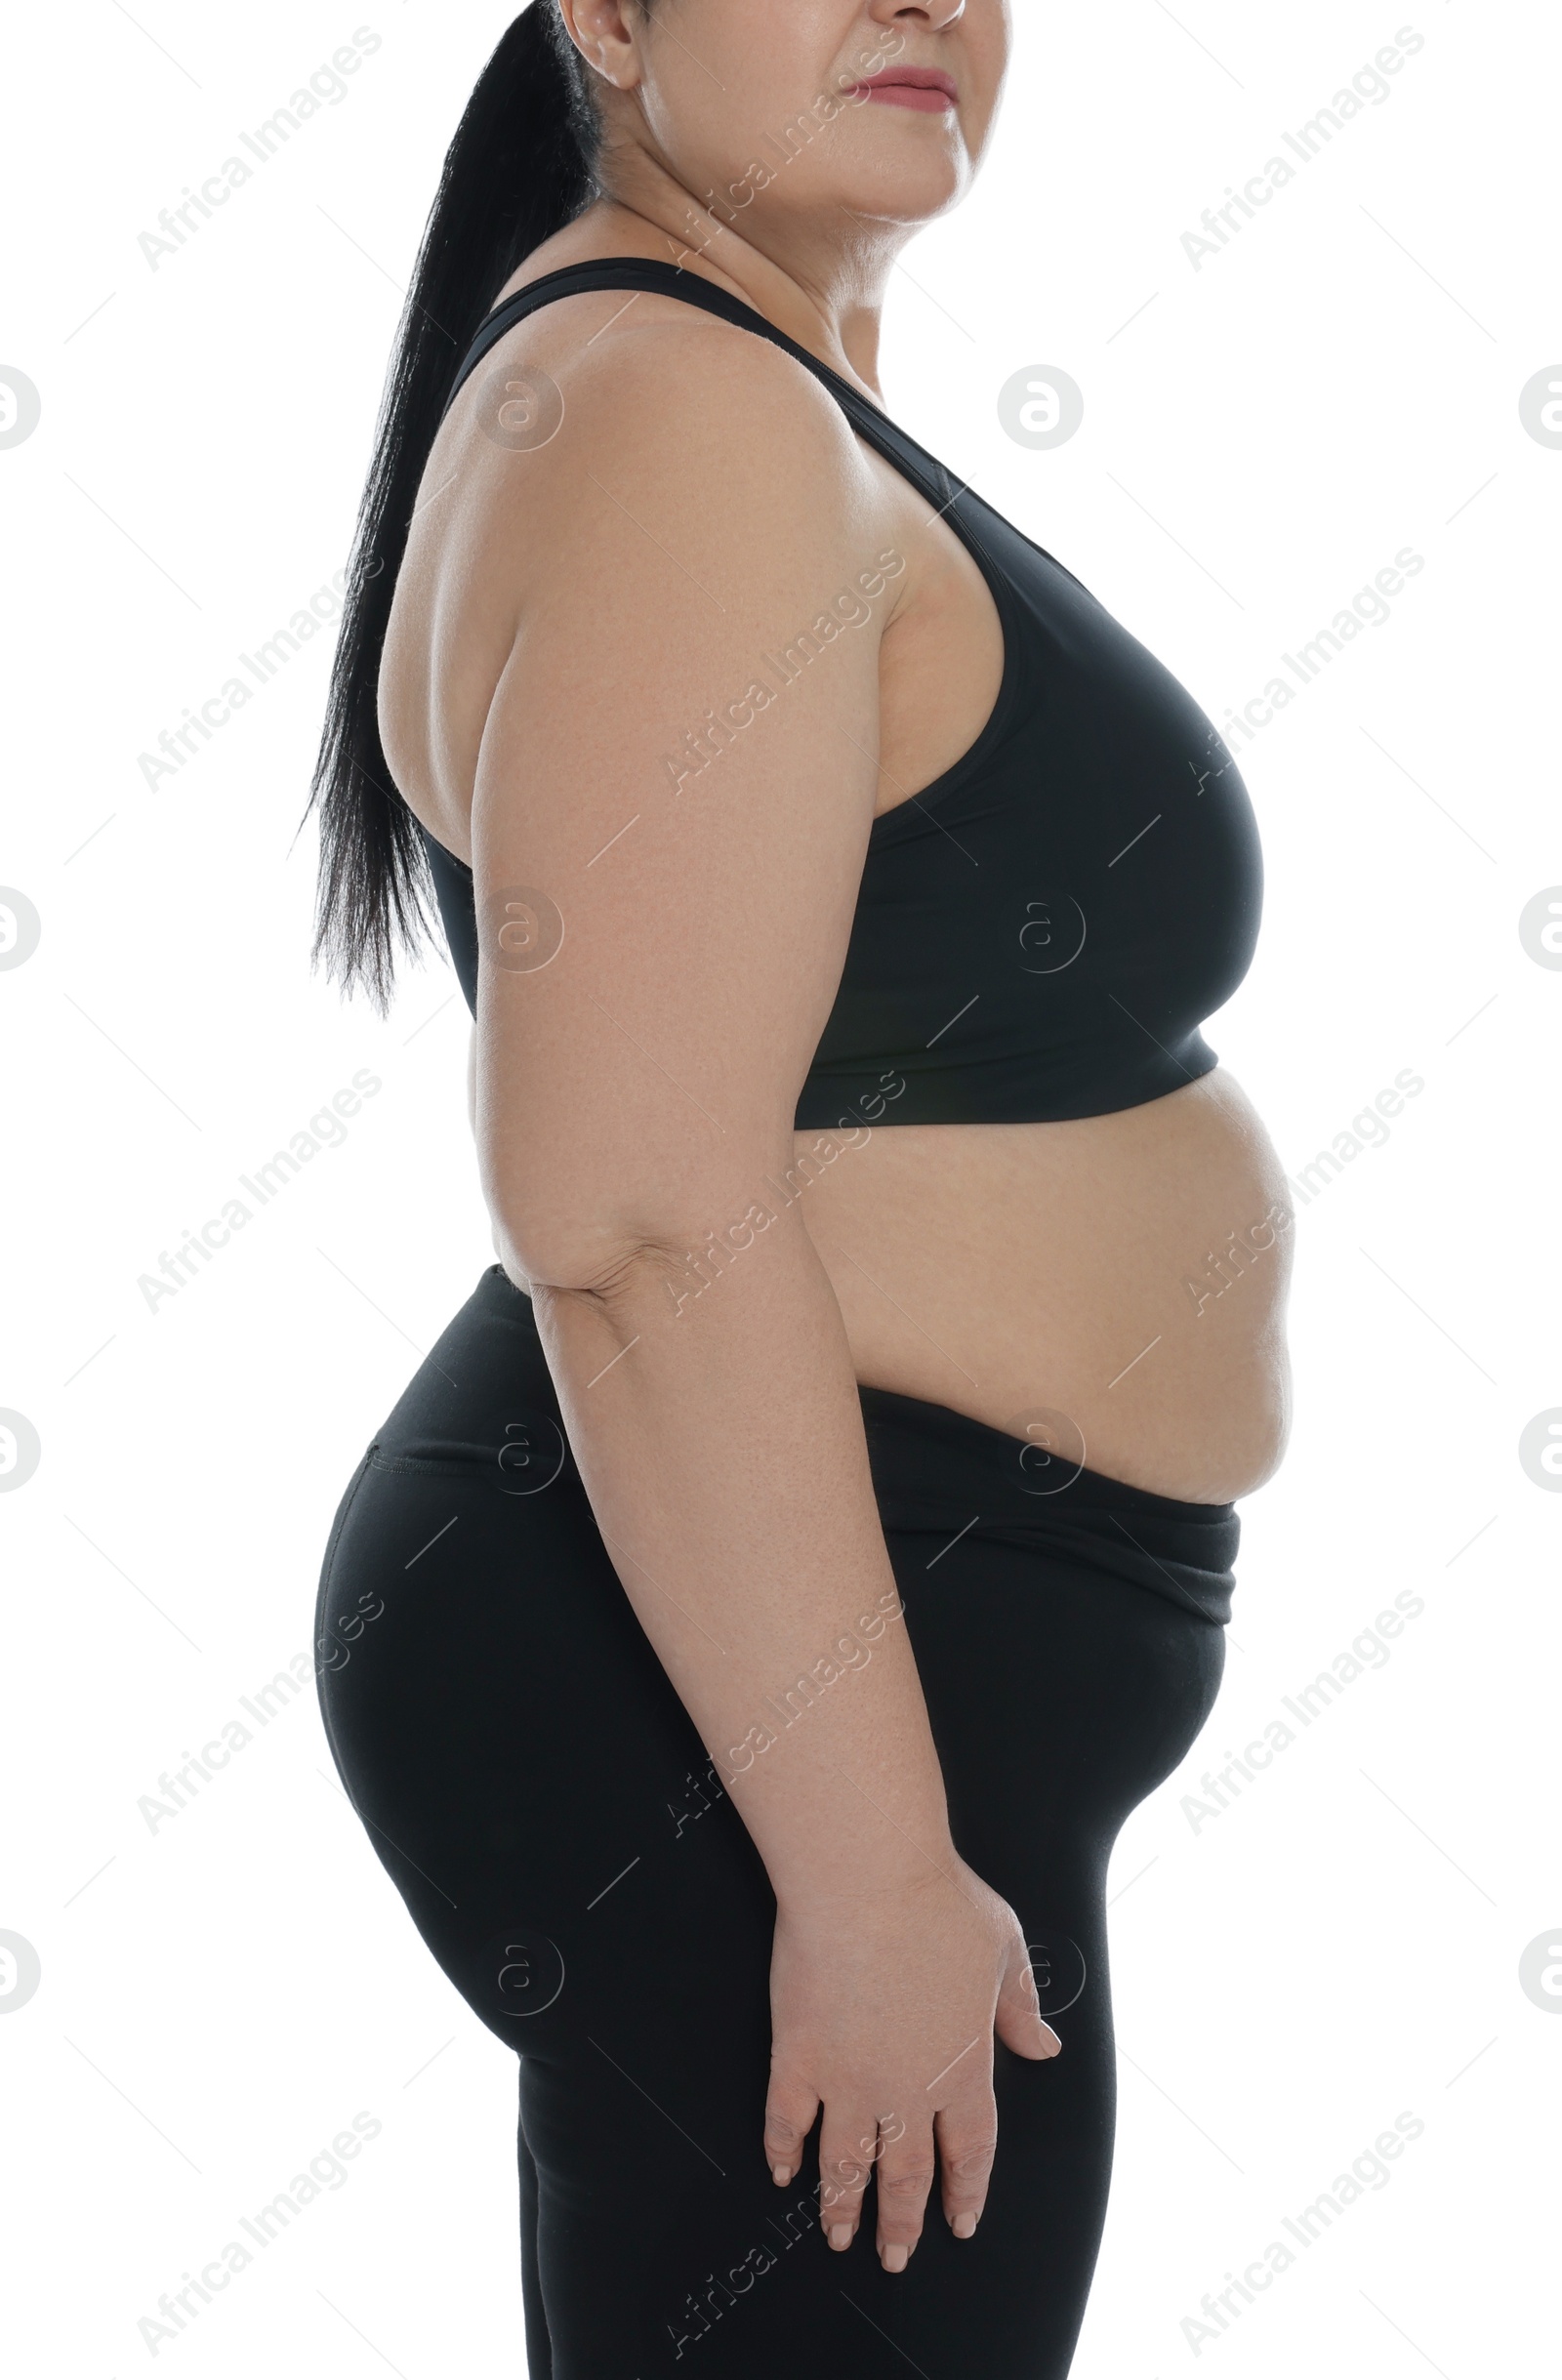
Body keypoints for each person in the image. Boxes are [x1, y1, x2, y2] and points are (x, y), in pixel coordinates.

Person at [308, 4, 1293, 2372]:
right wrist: (857, 1870)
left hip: (821, 1655)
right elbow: (632, 1205)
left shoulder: (720, 395)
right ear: (613, 18)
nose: (927, 4)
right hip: (772, 1694)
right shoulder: (683, 415)